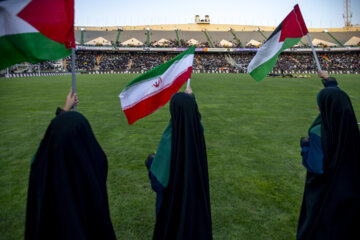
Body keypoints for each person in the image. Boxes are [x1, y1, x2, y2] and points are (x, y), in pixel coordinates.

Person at [25, 88, 116, 240]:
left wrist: (64, 111)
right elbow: (100, 161)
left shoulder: (44, 171)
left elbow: (42, 153)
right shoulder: (90, 173)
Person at [297, 71, 360, 239]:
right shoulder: (349, 126)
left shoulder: (319, 131)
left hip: (327, 191)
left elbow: (316, 166)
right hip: (350, 187)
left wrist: (305, 146)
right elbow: (337, 96)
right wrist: (328, 80)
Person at [146, 85, 213, 239]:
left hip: (172, 204)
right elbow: (196, 119)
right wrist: (192, 100)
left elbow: (157, 182)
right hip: (193, 201)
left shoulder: (170, 138)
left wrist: (152, 160)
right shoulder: (197, 134)